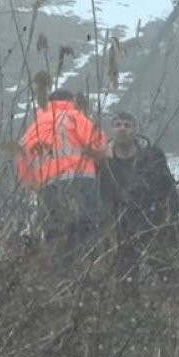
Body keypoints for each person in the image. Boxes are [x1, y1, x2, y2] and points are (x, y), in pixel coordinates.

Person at [16, 89, 108, 264]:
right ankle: (90, 275)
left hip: (48, 188)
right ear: (72, 100)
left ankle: (61, 280)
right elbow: (98, 145)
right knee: (88, 233)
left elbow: (22, 161)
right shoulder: (73, 116)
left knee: (56, 236)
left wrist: (33, 184)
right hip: (81, 182)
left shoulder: (33, 127)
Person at [99, 111, 179, 284]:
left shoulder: (152, 157)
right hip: (121, 227)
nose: (122, 129)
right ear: (112, 129)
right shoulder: (103, 162)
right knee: (125, 277)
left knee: (167, 269)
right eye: (118, 125)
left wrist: (172, 218)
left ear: (136, 129)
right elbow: (101, 196)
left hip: (152, 222)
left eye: (127, 125)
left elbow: (169, 189)